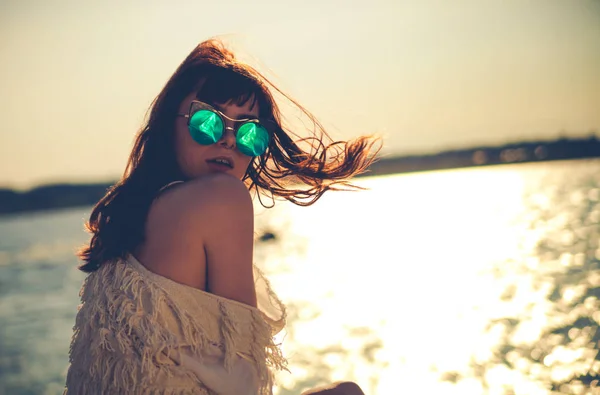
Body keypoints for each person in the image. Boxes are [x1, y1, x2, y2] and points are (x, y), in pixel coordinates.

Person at [64, 39, 380, 395]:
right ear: (170, 124)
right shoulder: (221, 196)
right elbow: (244, 378)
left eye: (248, 132)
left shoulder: (128, 219)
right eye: (208, 122)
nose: (229, 140)